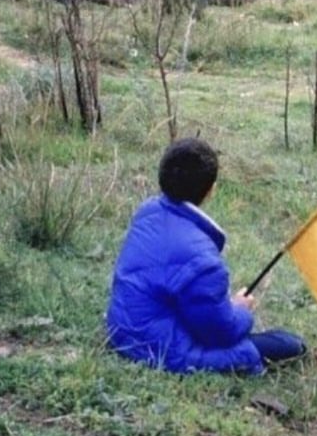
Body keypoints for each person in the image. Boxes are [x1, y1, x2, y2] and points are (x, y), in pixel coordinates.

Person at [106, 136, 306, 375]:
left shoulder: (146, 212)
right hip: (162, 350)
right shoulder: (202, 259)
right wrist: (240, 310)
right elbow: (221, 333)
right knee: (291, 344)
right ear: (211, 190)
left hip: (123, 332)